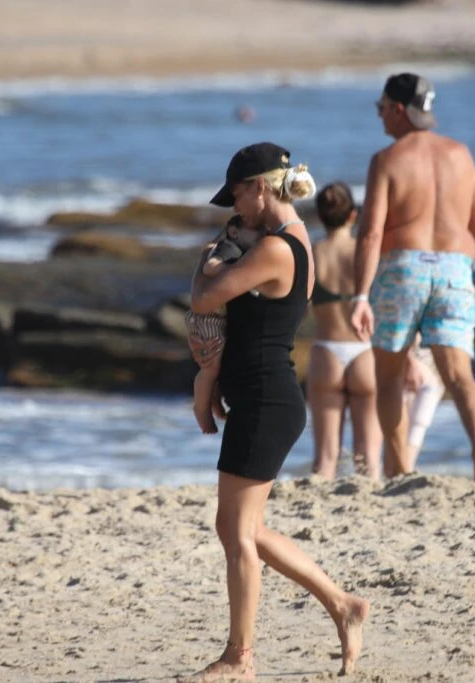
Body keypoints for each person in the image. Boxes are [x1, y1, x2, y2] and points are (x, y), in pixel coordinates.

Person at [183, 143, 369, 681]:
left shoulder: (277, 249)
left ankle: (239, 657)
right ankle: (343, 605)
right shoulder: (294, 240)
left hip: (267, 401)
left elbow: (203, 300)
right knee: (243, 528)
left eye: (237, 197)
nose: (234, 209)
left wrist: (207, 256)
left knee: (237, 532)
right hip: (263, 397)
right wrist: (214, 379)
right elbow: (248, 327)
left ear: (260, 188)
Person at [350, 72, 475, 481]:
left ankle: (400, 468)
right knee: (459, 376)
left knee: (390, 376)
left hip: (402, 269)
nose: (379, 116)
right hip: (454, 268)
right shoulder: (461, 154)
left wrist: (360, 296)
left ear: (399, 110)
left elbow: (371, 233)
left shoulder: (387, 160)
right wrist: (456, 266)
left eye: (381, 108)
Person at [307, 181, 381, 480]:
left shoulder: (313, 252)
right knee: (368, 459)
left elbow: (299, 304)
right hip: (364, 352)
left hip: (327, 351)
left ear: (320, 216)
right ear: (353, 215)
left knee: (325, 460)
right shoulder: (364, 253)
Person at [185, 214, 262, 434]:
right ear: (234, 232)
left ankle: (215, 402)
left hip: (216, 315)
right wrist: (241, 273)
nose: (262, 234)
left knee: (219, 363)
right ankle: (201, 410)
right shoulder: (228, 247)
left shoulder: (240, 248)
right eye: (256, 230)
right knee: (211, 366)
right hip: (207, 317)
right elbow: (210, 267)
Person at [397, 334, 446, 478]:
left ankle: (404, 469)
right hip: (411, 354)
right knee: (410, 422)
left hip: (422, 355)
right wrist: (410, 360)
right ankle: (403, 469)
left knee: (415, 423)